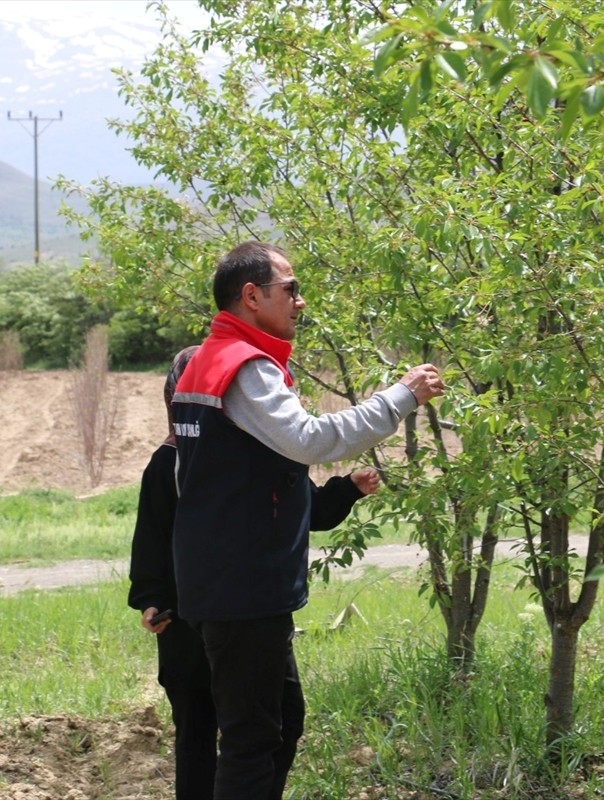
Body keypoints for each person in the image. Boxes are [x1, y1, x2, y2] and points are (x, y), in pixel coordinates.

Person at [170, 241, 445, 800]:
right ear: (252, 297)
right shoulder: (245, 367)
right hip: (242, 589)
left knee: (282, 724)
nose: (300, 301)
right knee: (252, 741)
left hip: (232, 583)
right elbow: (309, 440)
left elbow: (213, 478)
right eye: (290, 289)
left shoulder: (208, 358)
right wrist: (399, 398)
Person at [128, 345, 383, 800]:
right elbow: (152, 537)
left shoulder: (263, 453)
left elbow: (306, 511)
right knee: (198, 728)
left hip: (246, 609)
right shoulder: (167, 463)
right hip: (184, 620)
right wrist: (151, 596)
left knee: (278, 723)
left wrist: (346, 491)